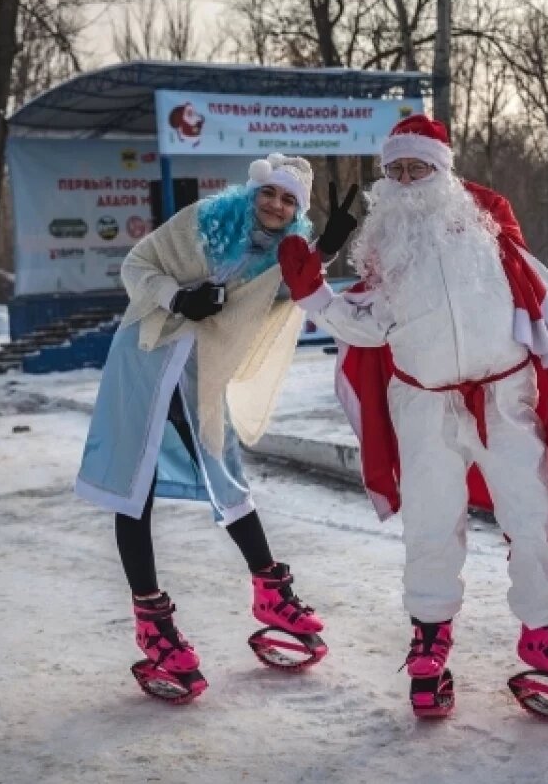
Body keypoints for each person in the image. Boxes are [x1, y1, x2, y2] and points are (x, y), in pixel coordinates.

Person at [278, 115, 548, 719]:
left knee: (535, 516)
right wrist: (313, 289)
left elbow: (543, 296)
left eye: (418, 168)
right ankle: (429, 640)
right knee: (431, 525)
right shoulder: (388, 247)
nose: (406, 180)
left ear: (442, 171)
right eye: (395, 170)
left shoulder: (485, 227)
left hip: (504, 398)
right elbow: (364, 326)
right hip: (424, 405)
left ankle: (545, 635)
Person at [75, 153, 350, 701]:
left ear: (297, 211)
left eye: (289, 200)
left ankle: (270, 592)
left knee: (225, 470)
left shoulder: (284, 253)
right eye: (269, 193)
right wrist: (178, 296)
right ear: (253, 192)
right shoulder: (204, 221)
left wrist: (326, 249)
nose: (275, 206)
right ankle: (153, 624)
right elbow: (136, 265)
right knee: (135, 485)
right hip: (145, 358)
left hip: (200, 371)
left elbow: (295, 291)